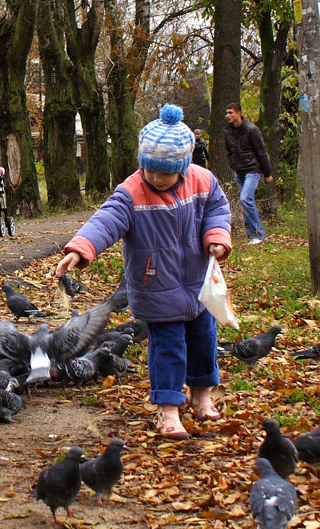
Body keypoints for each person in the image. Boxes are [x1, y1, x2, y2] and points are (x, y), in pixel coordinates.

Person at [54, 104, 232, 440]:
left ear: (183, 166)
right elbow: (106, 220)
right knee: (167, 348)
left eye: (164, 173)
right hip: (156, 286)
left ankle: (203, 395)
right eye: (149, 170)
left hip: (199, 283)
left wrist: (217, 239)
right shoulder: (132, 191)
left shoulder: (203, 181)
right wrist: (81, 248)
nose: (155, 178)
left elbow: (218, 212)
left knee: (204, 341)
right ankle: (168, 410)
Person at [224, 102, 273, 245]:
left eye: (231, 113)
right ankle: (252, 235)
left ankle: (258, 234)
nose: (228, 116)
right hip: (239, 170)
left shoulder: (252, 130)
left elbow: (261, 151)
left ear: (239, 113)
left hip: (253, 169)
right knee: (245, 201)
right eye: (227, 113)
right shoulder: (228, 131)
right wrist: (233, 165)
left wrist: (267, 173)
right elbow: (229, 152)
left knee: (245, 199)